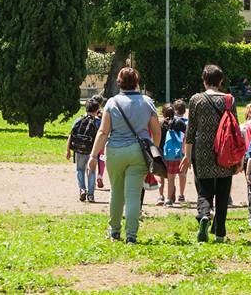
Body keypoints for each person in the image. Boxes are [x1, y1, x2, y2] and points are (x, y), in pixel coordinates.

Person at [87, 67, 161, 244]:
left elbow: (103, 131)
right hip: (138, 152)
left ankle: (114, 231)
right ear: (137, 82)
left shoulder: (112, 103)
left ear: (119, 82)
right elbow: (156, 132)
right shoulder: (147, 102)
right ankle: (131, 235)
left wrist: (93, 155)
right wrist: (153, 151)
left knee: (116, 192)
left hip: (115, 151)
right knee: (134, 194)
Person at [181, 64, 239, 243]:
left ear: (204, 81)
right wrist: (240, 158)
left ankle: (204, 214)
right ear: (221, 81)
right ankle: (220, 233)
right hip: (225, 151)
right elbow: (236, 130)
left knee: (204, 190)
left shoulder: (196, 99)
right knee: (223, 191)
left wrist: (187, 155)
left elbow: (191, 131)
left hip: (202, 150)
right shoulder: (230, 100)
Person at [66, 98, 101, 202]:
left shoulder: (78, 120)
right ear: (97, 110)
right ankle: (91, 195)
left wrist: (68, 150)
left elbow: (71, 135)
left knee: (80, 170)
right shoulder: (98, 122)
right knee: (92, 171)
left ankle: (82, 190)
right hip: (92, 151)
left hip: (79, 150)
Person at [160, 103, 187, 207]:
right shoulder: (179, 122)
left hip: (168, 154)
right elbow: (187, 134)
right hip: (179, 153)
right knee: (182, 174)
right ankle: (181, 195)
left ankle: (168, 199)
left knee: (170, 178)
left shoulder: (162, 123)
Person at [239, 103, 251, 225]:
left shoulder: (243, 127)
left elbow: (241, 147)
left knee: (250, 185)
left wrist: (240, 163)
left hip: (247, 158)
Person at [172, 99, 189, 203]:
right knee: (183, 174)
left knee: (171, 174)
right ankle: (181, 194)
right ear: (184, 110)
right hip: (183, 151)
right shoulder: (187, 122)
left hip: (172, 150)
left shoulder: (171, 121)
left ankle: (171, 193)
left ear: (174, 110)